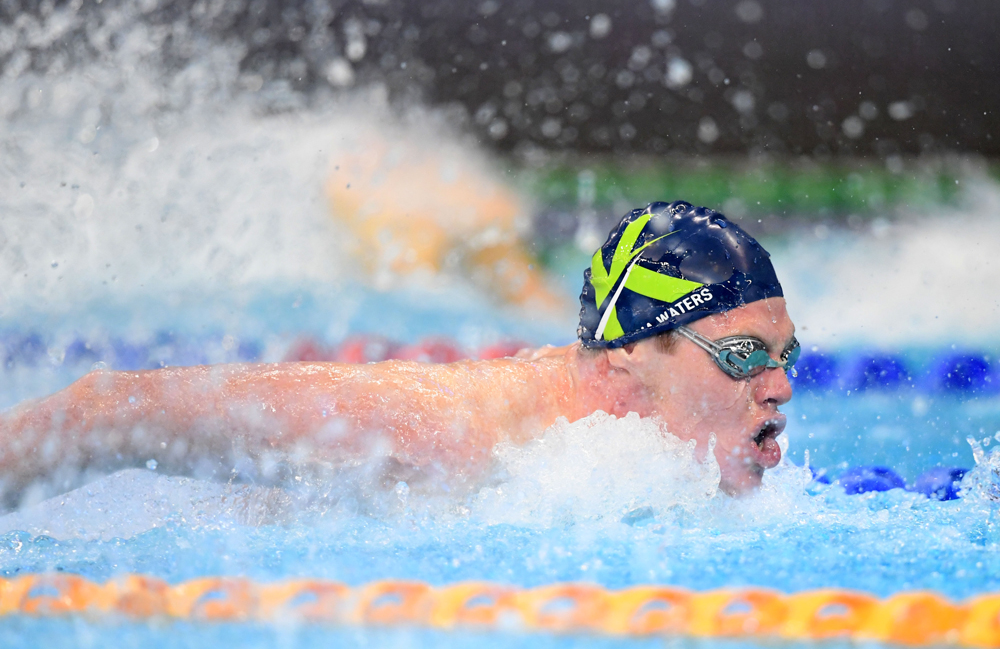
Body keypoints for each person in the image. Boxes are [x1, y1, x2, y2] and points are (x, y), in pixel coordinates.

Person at [0, 202, 797, 497]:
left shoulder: (647, 468)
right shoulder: (452, 436)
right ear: (630, 356)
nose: (780, 390)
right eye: (742, 356)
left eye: (786, 357)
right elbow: (101, 410)